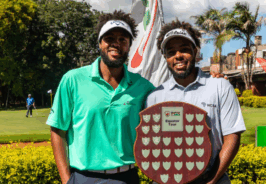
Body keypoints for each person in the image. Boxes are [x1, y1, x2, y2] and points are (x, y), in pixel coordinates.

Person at [46, 10, 155, 184]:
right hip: (83, 177)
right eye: (109, 38)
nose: (116, 44)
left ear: (129, 45)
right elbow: (58, 130)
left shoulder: (143, 86)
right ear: (99, 43)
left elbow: (168, 111)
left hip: (126, 177)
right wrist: (66, 180)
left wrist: (211, 78)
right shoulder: (73, 79)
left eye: (122, 39)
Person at [145, 19, 246, 184]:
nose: (178, 56)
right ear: (165, 57)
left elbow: (232, 136)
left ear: (195, 51)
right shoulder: (155, 97)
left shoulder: (220, 87)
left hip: (213, 179)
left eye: (184, 50)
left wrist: (212, 180)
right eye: (171, 52)